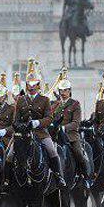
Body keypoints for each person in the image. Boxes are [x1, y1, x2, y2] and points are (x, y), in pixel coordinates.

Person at [10, 58, 66, 188]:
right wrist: (20, 126)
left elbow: (49, 118)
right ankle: (7, 181)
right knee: (9, 155)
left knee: (52, 151)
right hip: (23, 134)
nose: (31, 87)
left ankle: (58, 177)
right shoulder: (21, 100)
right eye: (29, 84)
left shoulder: (44, 100)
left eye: (34, 84)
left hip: (41, 133)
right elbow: (16, 119)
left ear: (38, 85)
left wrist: (37, 123)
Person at [52, 68, 92, 185]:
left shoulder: (75, 104)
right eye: (61, 90)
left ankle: (85, 177)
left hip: (70, 135)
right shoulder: (55, 105)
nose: (63, 93)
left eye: (66, 90)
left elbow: (76, 122)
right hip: (55, 135)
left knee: (79, 153)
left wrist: (64, 128)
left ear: (70, 91)